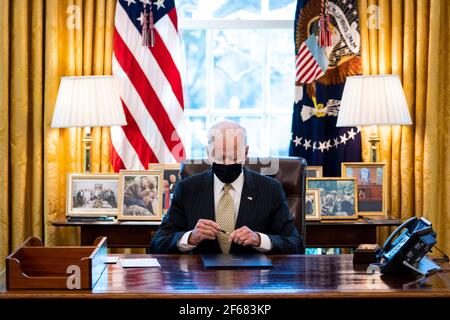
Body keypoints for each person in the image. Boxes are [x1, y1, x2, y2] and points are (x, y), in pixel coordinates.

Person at [150, 120, 301, 254]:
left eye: (234, 157)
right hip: (201, 280)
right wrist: (191, 237)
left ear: (246, 152)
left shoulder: (270, 189)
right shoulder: (187, 189)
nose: (227, 164)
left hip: (254, 280)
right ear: (208, 153)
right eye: (220, 157)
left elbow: (295, 244)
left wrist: (259, 240)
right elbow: (158, 244)